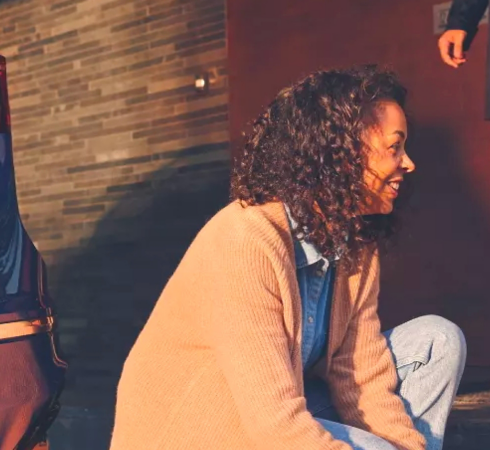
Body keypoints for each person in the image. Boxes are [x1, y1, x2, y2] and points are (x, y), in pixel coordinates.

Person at [109, 66, 466, 450]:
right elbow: (274, 422)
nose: (408, 163)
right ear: (338, 153)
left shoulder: (355, 244)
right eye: (395, 147)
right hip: (200, 433)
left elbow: (360, 373)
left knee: (438, 341)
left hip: (278, 417)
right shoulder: (245, 238)